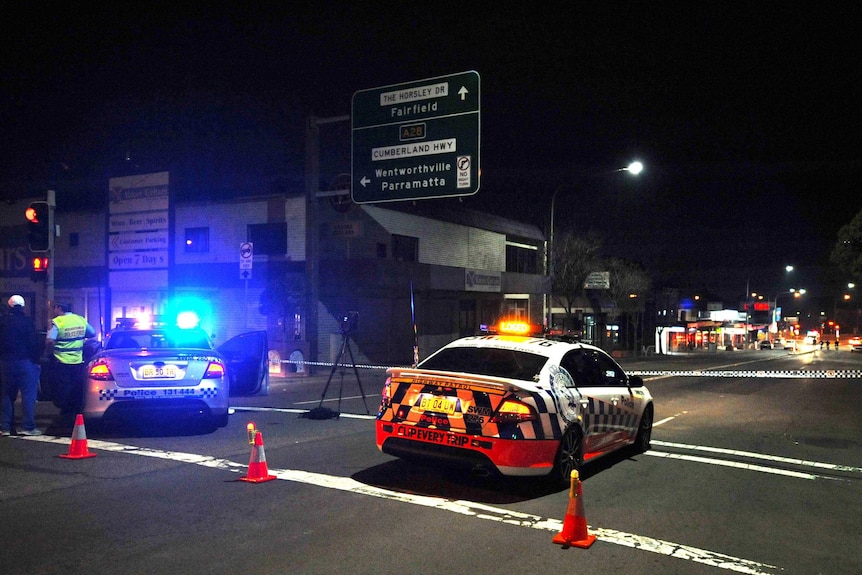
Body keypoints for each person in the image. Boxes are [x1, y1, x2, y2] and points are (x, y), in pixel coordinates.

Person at [0, 295, 43, 436]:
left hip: (6, 362)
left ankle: (5, 427)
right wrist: (36, 360)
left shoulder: (3, 322)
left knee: (6, 395)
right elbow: (33, 343)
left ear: (9, 306)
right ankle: (28, 427)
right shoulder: (27, 322)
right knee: (28, 396)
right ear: (23, 307)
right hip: (25, 361)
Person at [45, 301, 96, 416]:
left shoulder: (57, 322)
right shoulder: (80, 319)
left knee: (63, 388)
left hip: (61, 360)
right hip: (77, 360)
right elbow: (92, 333)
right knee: (76, 387)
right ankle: (76, 411)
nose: (54, 311)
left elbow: (49, 340)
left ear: (59, 308)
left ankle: (66, 412)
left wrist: (49, 351)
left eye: (55, 308)